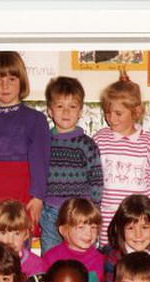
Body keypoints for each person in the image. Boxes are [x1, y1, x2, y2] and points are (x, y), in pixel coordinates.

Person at [0, 51, 51, 234]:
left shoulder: (36, 119)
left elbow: (41, 162)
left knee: (19, 241)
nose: (5, 86)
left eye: (11, 79)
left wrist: (38, 197)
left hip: (23, 191)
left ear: (21, 81)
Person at [93, 70, 150, 247]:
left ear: (135, 111)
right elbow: (93, 177)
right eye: (107, 113)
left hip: (137, 220)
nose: (111, 119)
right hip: (107, 215)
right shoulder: (100, 139)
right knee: (110, 255)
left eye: (118, 113)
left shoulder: (148, 141)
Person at [39, 76, 104, 253]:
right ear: (50, 110)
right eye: (60, 106)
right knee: (51, 256)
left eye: (72, 107)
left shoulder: (87, 144)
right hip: (50, 211)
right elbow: (36, 175)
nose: (66, 112)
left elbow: (96, 179)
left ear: (80, 111)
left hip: (80, 215)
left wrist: (93, 209)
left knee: (82, 256)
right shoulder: (43, 142)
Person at [41, 198, 104, 282]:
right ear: (63, 230)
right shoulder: (51, 258)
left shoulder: (101, 259)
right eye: (81, 227)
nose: (89, 233)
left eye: (93, 227)